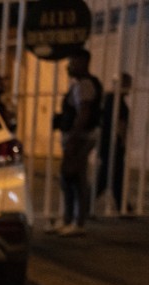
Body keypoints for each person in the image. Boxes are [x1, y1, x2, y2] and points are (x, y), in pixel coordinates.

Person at [48, 50, 103, 236]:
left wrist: (73, 138)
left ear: (83, 62)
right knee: (69, 178)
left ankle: (77, 222)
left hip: (80, 138)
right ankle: (69, 219)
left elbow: (84, 113)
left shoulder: (85, 84)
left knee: (74, 178)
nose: (69, 67)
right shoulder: (81, 84)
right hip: (79, 137)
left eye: (72, 62)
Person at [97, 72, 132, 214]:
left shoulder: (107, 99)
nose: (129, 88)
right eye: (127, 84)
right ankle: (123, 206)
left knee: (112, 175)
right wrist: (123, 142)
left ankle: (123, 206)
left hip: (105, 142)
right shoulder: (118, 103)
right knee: (110, 175)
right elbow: (120, 126)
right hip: (113, 144)